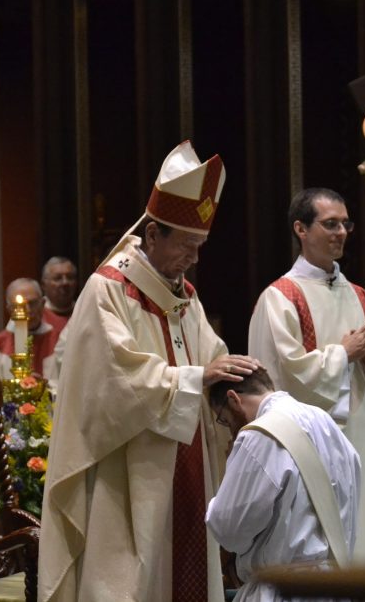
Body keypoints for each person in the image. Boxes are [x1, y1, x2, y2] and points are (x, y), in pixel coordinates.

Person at [39, 140, 260, 602]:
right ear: (153, 234)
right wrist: (197, 379)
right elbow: (114, 380)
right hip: (130, 471)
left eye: (200, 246)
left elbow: (211, 355)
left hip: (189, 459)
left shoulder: (185, 295)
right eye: (187, 245)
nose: (194, 258)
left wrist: (236, 388)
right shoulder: (109, 290)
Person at [248, 187, 365, 564]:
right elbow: (281, 378)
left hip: (364, 441)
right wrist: (343, 354)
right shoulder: (280, 297)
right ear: (301, 229)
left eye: (345, 224)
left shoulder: (362, 296)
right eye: (330, 224)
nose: (341, 232)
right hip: (310, 449)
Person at [205, 367, 361, 602]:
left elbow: (229, 529)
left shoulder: (259, 435)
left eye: (226, 421)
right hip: (334, 587)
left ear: (233, 399)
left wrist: (229, 478)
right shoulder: (325, 422)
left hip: (282, 590)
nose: (232, 432)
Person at [0, 277, 59, 380]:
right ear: (9, 309)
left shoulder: (60, 342)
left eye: (32, 303)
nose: (27, 310)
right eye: (19, 306)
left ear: (43, 303)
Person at [41, 256, 78, 332]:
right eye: (57, 278)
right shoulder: (34, 314)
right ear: (44, 284)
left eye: (70, 277)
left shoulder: (83, 311)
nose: (65, 283)